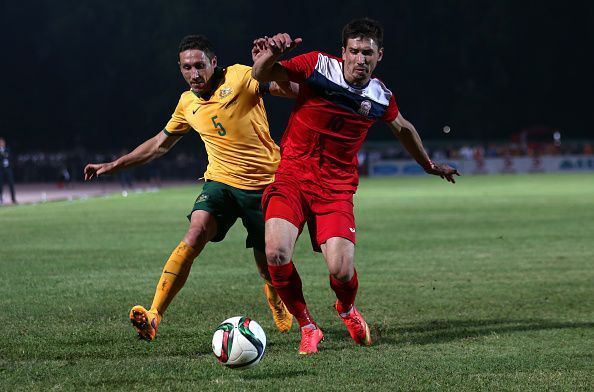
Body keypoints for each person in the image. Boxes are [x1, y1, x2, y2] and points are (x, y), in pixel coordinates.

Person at [251, 18, 459, 354]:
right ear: (343, 51)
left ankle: (346, 308)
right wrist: (271, 54)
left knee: (341, 270)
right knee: (275, 252)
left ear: (379, 56)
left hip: (335, 188)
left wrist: (429, 165)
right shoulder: (317, 65)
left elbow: (403, 129)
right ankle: (307, 326)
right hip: (293, 176)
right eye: (354, 51)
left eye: (367, 53)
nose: (359, 59)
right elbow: (262, 76)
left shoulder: (380, 97)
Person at [84, 35, 299, 341]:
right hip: (220, 183)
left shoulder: (239, 76)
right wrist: (114, 165)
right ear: (180, 68)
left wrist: (272, 60)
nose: (194, 74)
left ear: (214, 62)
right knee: (195, 232)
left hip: (264, 184)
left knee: (267, 265)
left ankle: (277, 299)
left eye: (200, 65)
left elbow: (283, 88)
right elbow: (159, 145)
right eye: (187, 67)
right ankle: (155, 315)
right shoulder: (187, 103)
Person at [0, 137, 17, 205]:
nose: (1, 144)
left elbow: (9, 157)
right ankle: (1, 199)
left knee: (11, 183)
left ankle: (13, 199)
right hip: (1, 169)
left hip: (8, 169)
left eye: (2, 142)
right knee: (0, 185)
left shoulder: (7, 149)